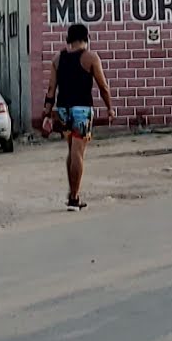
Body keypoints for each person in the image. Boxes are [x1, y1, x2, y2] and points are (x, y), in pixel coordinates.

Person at [45, 23, 111, 210]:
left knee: (71, 150)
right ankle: (74, 198)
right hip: (82, 109)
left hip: (63, 110)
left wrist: (47, 112)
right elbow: (103, 87)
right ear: (86, 38)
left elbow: (51, 89)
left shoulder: (58, 59)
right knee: (78, 153)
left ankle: (73, 193)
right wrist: (110, 108)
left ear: (69, 39)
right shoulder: (91, 57)